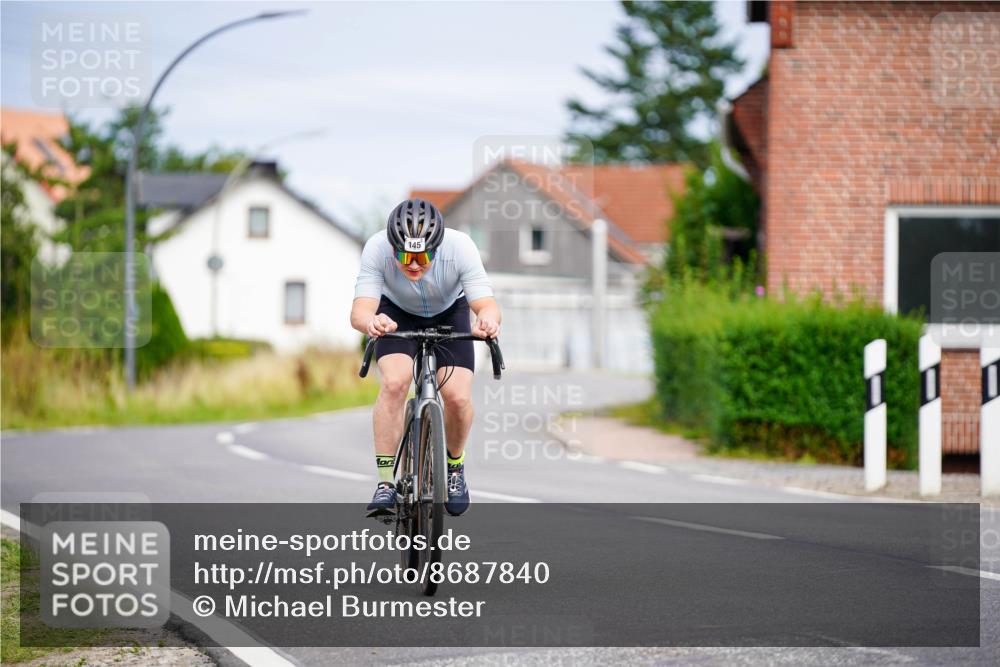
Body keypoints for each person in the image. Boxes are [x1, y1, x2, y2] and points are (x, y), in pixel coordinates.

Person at [350, 198, 501, 519]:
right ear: (393, 248)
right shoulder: (376, 248)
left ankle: (455, 467)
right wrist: (372, 322)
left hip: (450, 311)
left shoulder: (460, 247)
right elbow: (360, 311)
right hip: (395, 314)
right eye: (405, 256)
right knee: (394, 383)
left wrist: (487, 320)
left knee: (457, 398)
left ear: (437, 246)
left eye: (423, 256)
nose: (414, 264)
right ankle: (385, 482)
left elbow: (486, 303)